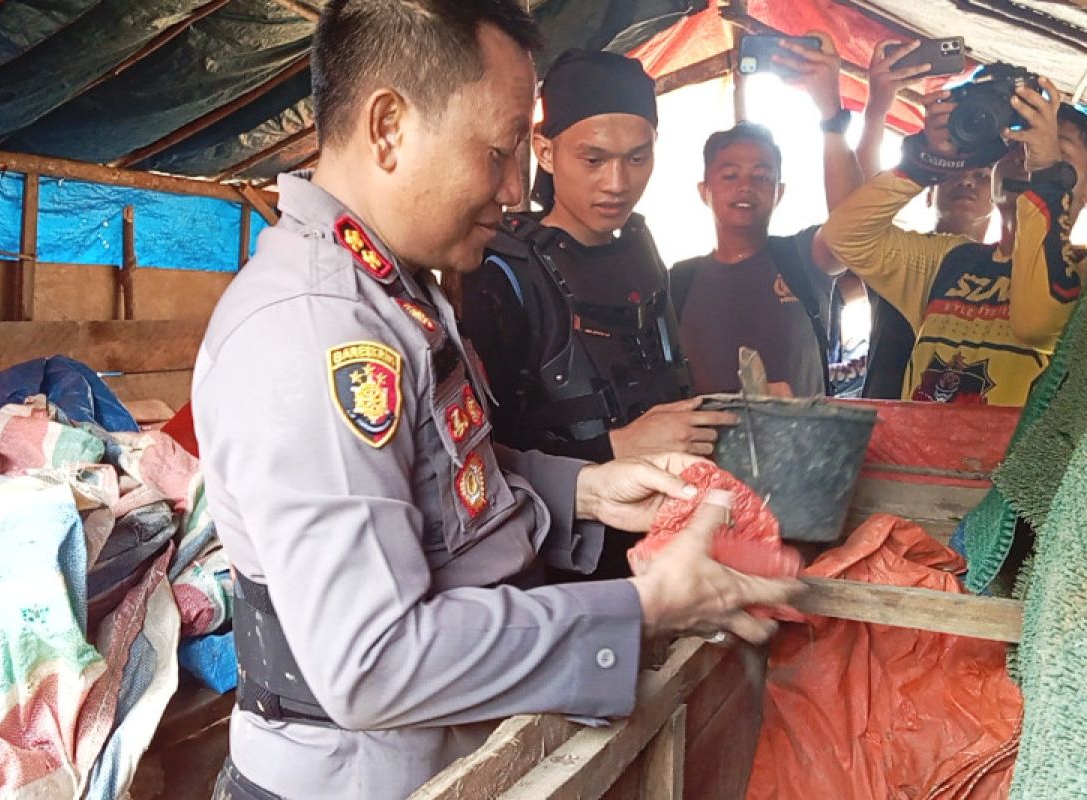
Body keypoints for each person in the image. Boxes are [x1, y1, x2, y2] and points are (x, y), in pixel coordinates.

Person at [191, 3, 800, 799]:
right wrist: (642, 609)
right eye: (500, 151)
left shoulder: (392, 293)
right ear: (388, 128)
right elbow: (374, 663)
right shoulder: (314, 330)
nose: (516, 190)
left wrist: (584, 489)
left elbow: (437, 475)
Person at [459, 49, 737, 581]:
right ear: (544, 150)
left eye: (637, 157)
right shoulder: (502, 274)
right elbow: (478, 459)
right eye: (594, 159)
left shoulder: (641, 246)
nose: (617, 182)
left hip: (670, 548)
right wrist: (614, 446)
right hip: (563, 572)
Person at [821, 74, 1087, 405]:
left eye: (1053, 147)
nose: (1025, 158)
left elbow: (1037, 324)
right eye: (1016, 143)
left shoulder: (1080, 274)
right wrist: (926, 159)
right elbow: (844, 237)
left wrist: (1048, 173)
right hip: (918, 457)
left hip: (1015, 459)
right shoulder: (950, 260)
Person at [668, 34, 853, 399]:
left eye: (762, 176)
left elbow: (853, 225)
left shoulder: (802, 259)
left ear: (779, 192)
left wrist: (831, 118)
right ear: (705, 191)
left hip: (802, 454)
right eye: (730, 175)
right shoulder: (679, 281)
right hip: (702, 456)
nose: (746, 187)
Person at [854, 40, 995, 399]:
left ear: (999, 198)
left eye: (982, 177)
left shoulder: (1005, 275)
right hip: (883, 433)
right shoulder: (894, 258)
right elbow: (861, 197)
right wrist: (876, 110)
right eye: (954, 173)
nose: (966, 180)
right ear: (928, 190)